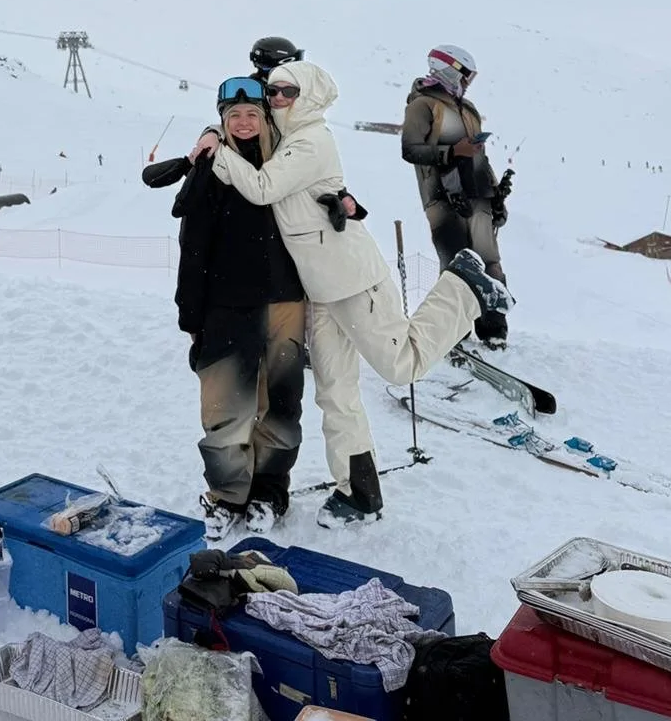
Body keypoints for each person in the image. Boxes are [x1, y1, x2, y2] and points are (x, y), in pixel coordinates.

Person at [196, 61, 511, 528]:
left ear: (310, 96)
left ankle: (464, 284)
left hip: (351, 279)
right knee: (335, 393)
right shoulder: (285, 138)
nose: (276, 99)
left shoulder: (310, 140)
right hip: (321, 290)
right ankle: (358, 491)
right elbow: (246, 127)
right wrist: (215, 129)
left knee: (400, 364)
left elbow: (263, 189)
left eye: (286, 92)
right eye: (274, 92)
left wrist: (217, 150)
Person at [146, 78, 306, 541]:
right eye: (233, 117)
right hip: (226, 303)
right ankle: (226, 494)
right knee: (225, 406)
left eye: (252, 115)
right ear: (221, 120)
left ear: (264, 118)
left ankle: (270, 489)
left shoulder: (286, 162)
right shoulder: (212, 167)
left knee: (281, 403)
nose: (243, 123)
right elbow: (193, 244)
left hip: (284, 300)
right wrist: (190, 315)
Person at [402, 46, 513, 349]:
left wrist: (495, 193)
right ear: (450, 69)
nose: (469, 82)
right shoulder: (422, 105)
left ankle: (493, 329)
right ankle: (454, 332)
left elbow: (480, 156)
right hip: (442, 198)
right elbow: (410, 150)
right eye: (466, 75)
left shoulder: (468, 109)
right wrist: (451, 151)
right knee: (457, 262)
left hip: (477, 195)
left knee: (489, 261)